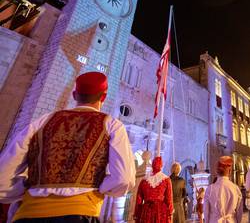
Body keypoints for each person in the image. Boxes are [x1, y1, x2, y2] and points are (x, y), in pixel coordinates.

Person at [0, 72, 135, 222]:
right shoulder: (111, 125)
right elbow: (124, 179)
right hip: (80, 214)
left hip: (28, 214)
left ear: (74, 95)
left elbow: (2, 178)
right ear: (103, 97)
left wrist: (28, 189)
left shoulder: (41, 122)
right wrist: (99, 187)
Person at [204, 156, 243, 223]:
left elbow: (206, 212)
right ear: (230, 171)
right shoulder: (235, 189)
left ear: (217, 172)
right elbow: (239, 213)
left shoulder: (210, 189)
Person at [134, 157, 173, 223]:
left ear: (152, 165)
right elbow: (169, 199)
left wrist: (137, 214)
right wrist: (170, 212)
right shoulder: (166, 180)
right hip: (161, 212)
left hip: (147, 211)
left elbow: (139, 200)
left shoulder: (144, 180)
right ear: (161, 165)